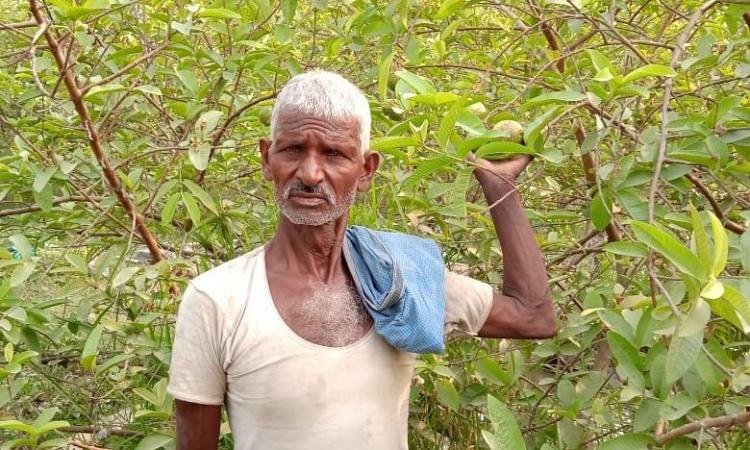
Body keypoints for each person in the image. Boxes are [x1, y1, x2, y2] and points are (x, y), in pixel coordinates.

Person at [167, 70, 557, 450]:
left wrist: (500, 187)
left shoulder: (398, 278)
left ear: (366, 170)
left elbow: (534, 315)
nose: (310, 173)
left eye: (334, 154)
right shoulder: (217, 299)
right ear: (267, 159)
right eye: (292, 150)